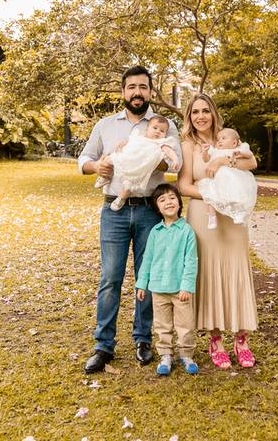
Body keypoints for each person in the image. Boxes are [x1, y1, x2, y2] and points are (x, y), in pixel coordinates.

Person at [78, 65, 182, 374]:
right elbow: (83, 160)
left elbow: (176, 164)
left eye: (143, 87)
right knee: (110, 278)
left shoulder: (165, 126)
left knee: (146, 277)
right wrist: (97, 167)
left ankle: (143, 339)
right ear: (124, 92)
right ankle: (103, 345)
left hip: (151, 210)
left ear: (151, 92)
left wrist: (155, 154)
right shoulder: (106, 125)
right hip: (115, 210)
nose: (137, 92)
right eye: (132, 87)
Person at [176, 93, 258, 369]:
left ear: (213, 113)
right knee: (209, 274)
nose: (200, 116)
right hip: (204, 213)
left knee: (236, 270)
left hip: (232, 217)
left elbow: (252, 163)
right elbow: (184, 186)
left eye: (205, 111)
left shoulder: (228, 139)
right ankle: (216, 340)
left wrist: (222, 161)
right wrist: (212, 196)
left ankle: (242, 339)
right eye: (195, 112)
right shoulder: (187, 145)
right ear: (189, 117)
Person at [135, 183, 199, 376]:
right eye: (162, 200)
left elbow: (191, 262)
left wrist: (187, 287)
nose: (168, 202)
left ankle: (186, 354)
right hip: (158, 288)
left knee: (184, 324)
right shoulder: (155, 232)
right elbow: (147, 259)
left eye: (172, 198)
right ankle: (165, 355)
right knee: (162, 325)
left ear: (179, 203)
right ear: (157, 208)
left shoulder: (187, 231)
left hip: (180, 290)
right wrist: (142, 284)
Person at [94, 115, 180, 211]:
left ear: (165, 134)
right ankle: (106, 177)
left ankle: (121, 199)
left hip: (139, 167)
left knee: (129, 185)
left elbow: (169, 151)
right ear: (147, 128)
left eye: (162, 131)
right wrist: (123, 144)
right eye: (155, 128)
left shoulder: (161, 143)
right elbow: (130, 142)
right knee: (108, 159)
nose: (157, 132)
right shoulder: (139, 136)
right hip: (126, 158)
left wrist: (175, 159)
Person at [196, 127, 258, 229]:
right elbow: (206, 159)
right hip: (218, 180)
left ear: (234, 143)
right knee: (210, 196)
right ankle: (212, 217)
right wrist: (204, 152)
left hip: (234, 179)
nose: (220, 141)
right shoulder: (215, 150)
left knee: (237, 196)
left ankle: (238, 215)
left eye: (223, 138)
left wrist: (242, 153)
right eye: (218, 139)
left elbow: (250, 155)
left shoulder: (237, 149)